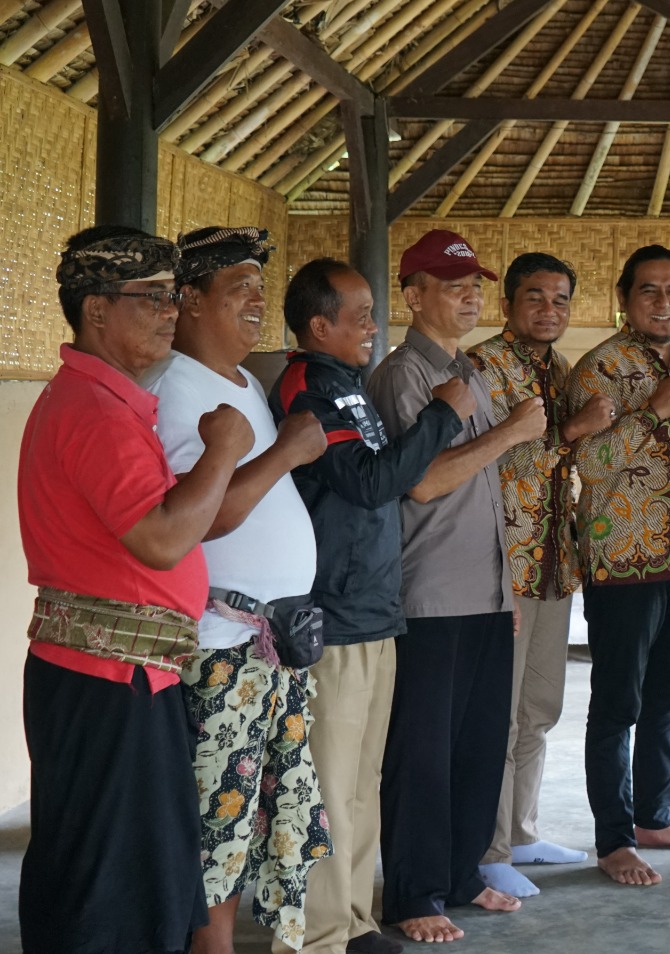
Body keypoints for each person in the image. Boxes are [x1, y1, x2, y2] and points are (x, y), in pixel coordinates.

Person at [18, 226, 252, 953]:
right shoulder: (94, 411)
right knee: (106, 883)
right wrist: (223, 451)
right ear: (96, 311)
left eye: (173, 298)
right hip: (106, 683)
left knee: (134, 870)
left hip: (123, 678)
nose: (169, 313)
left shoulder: (113, 405)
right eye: (150, 299)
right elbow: (160, 540)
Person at [270, 258, 474, 954]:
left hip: (372, 609)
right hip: (332, 616)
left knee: (361, 783)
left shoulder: (347, 387)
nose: (372, 325)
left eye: (372, 311)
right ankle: (318, 934)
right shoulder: (308, 386)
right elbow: (370, 483)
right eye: (359, 314)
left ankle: (354, 919)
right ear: (318, 325)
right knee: (327, 784)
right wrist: (445, 413)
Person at [146, 226, 332, 953]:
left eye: (261, 288)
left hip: (271, 652)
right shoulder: (174, 386)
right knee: (213, 834)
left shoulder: (243, 382)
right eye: (239, 289)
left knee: (266, 819)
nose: (258, 302)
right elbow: (202, 518)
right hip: (222, 653)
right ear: (188, 300)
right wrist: (286, 449)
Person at [367, 229, 545, 943]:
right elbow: (422, 484)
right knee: (422, 752)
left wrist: (507, 590)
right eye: (451, 283)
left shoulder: (467, 370)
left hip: (484, 591)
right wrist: (510, 433)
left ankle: (461, 873)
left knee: (477, 746)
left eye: (476, 283)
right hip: (430, 593)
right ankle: (413, 890)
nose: (471, 294)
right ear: (412, 296)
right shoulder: (403, 376)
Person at [565, 244, 670, 886]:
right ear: (625, 299)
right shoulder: (597, 368)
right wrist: (652, 410)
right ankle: (614, 838)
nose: (665, 302)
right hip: (622, 561)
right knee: (617, 705)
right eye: (650, 291)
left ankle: (657, 816)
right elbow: (586, 463)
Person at [469, 252, 613, 896]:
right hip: (503, 567)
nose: (547, 311)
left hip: (556, 565)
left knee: (539, 709)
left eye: (559, 299)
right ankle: (488, 847)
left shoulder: (562, 370)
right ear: (507, 304)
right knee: (497, 715)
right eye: (534, 298)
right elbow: (494, 465)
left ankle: (522, 833)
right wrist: (577, 429)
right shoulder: (481, 366)